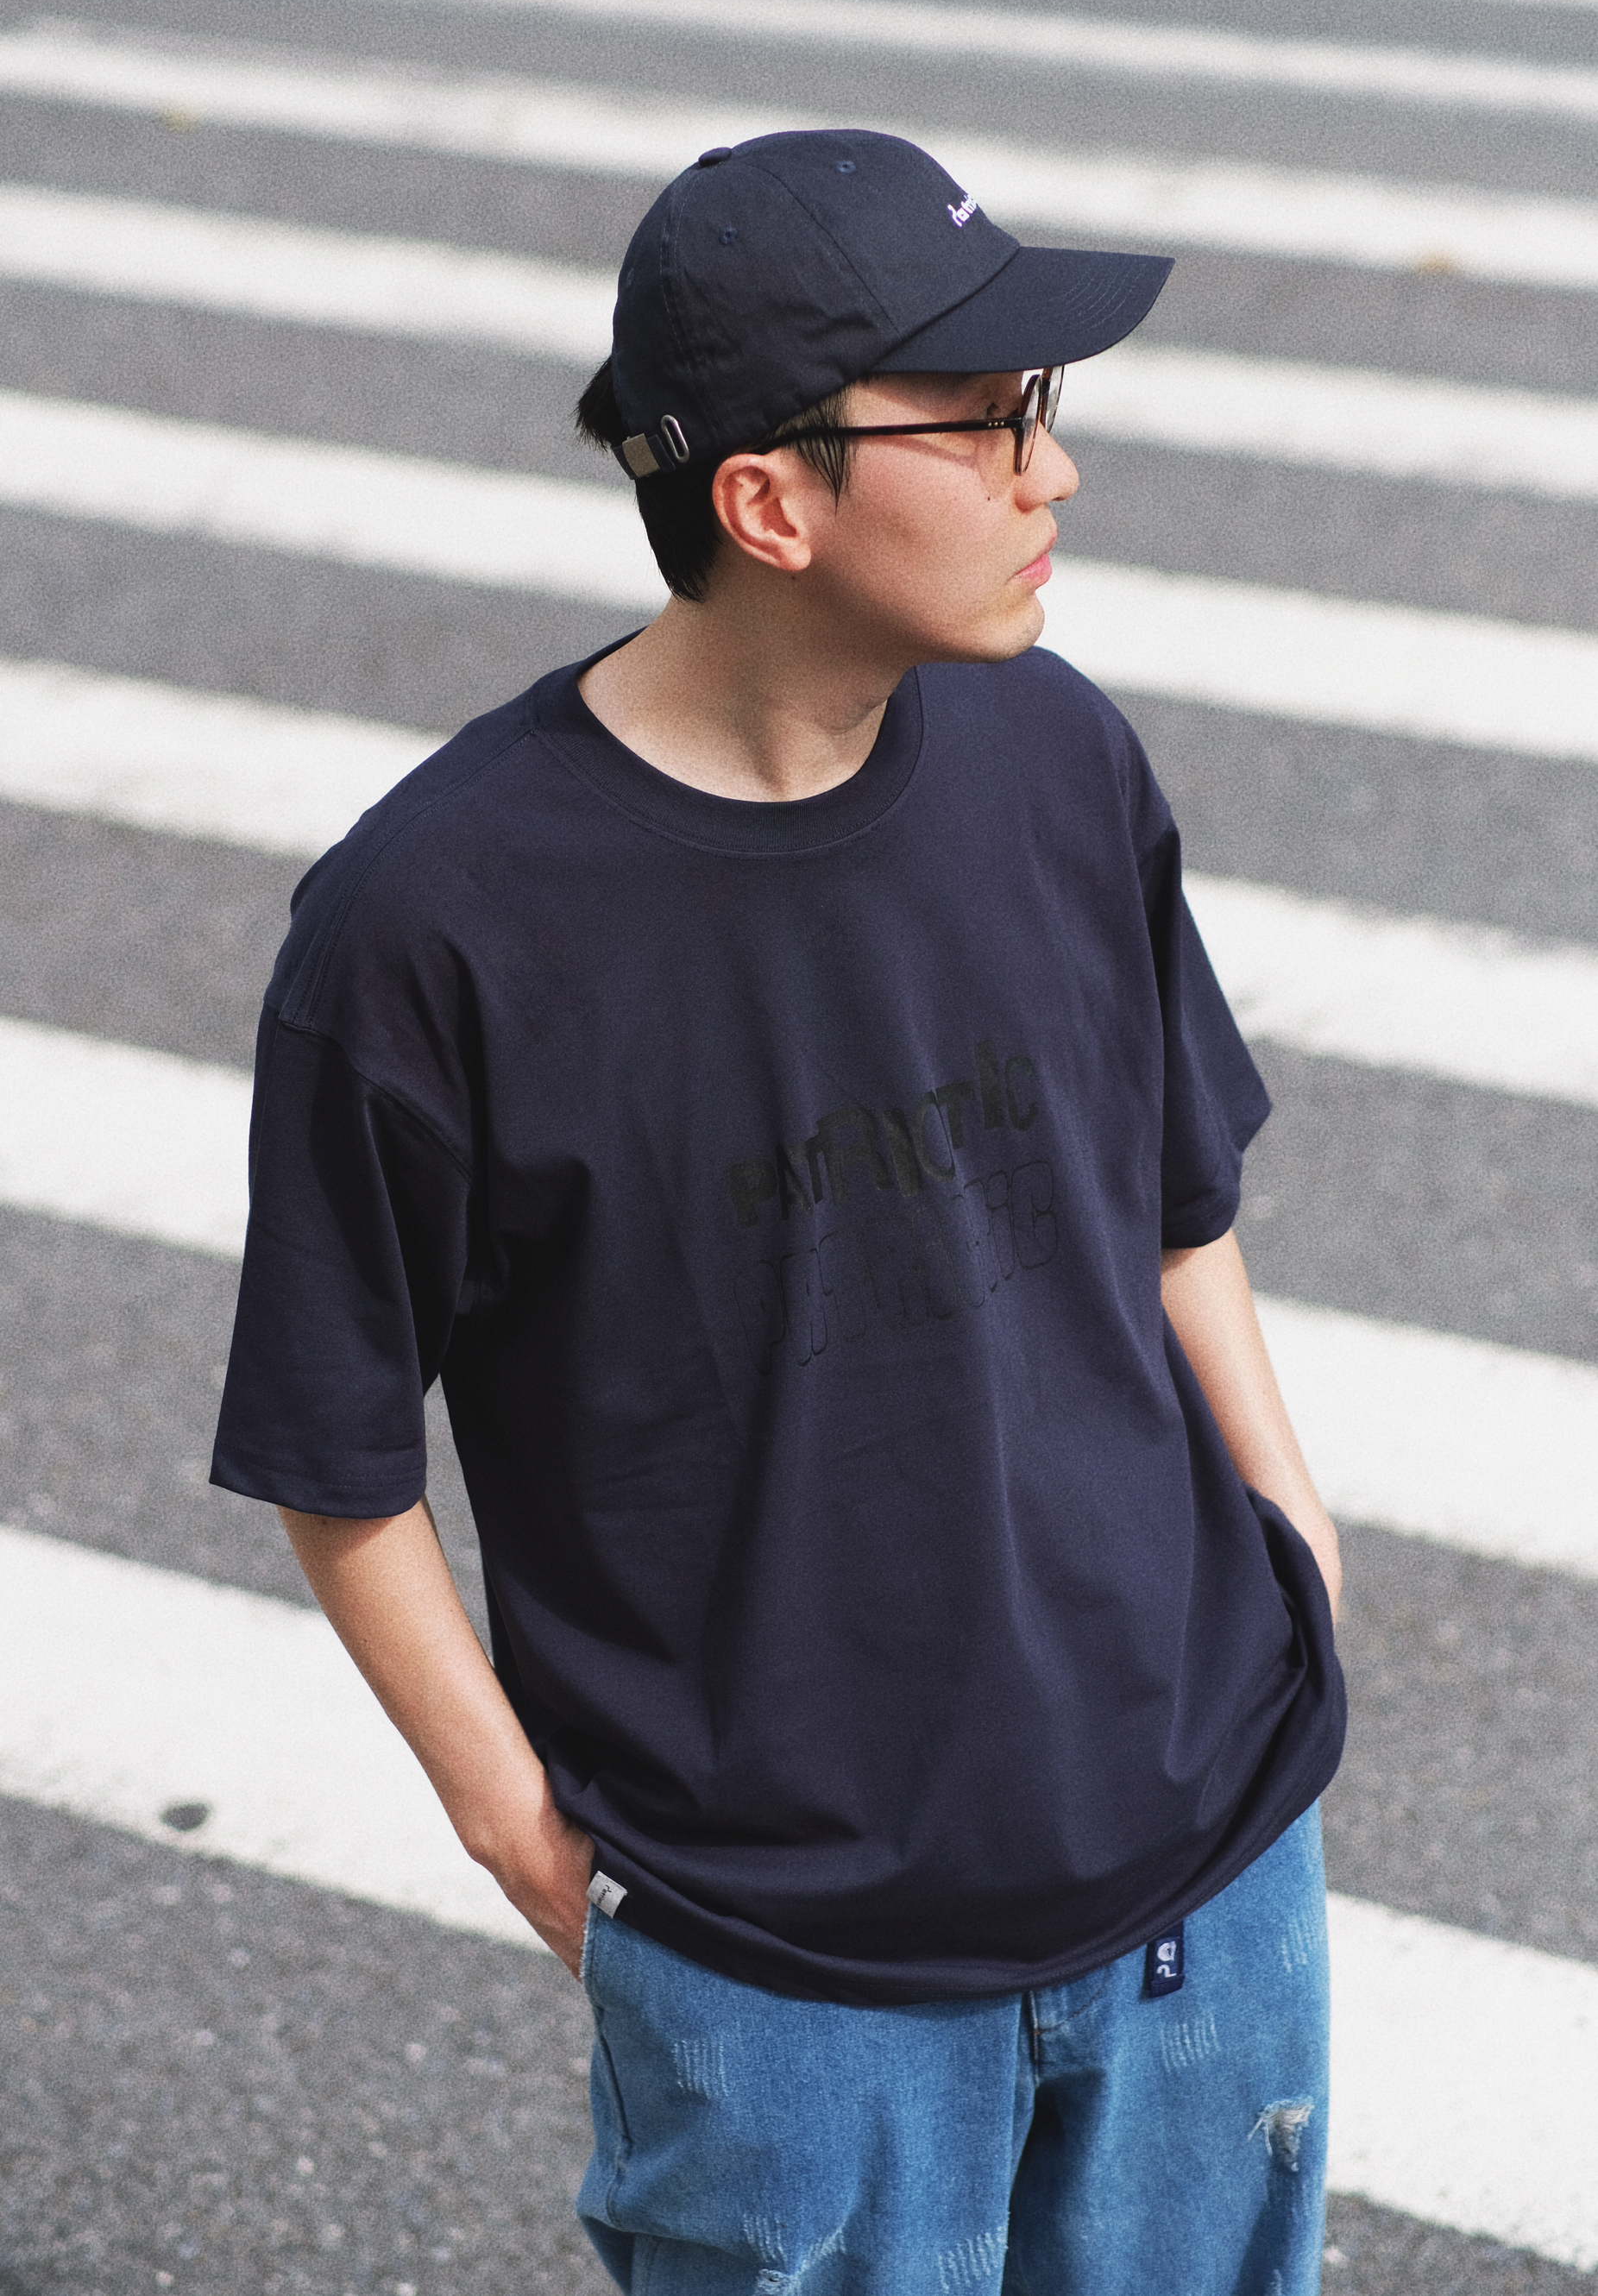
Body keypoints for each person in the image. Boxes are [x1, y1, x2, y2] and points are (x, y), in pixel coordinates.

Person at [211, 129, 1345, 2294]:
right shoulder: (432, 928)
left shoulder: (1054, 756)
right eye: (984, 417)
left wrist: (1289, 1530)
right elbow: (334, 1459)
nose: (1051, 471)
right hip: (787, 1970)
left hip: (1206, 1865)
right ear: (767, 502)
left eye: (1039, 407)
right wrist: (523, 1835)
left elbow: (1174, 1200)